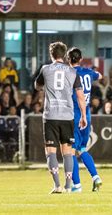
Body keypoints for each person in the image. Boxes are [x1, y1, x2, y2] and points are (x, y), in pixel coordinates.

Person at [35, 42, 87, 194]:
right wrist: (83, 115)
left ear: (51, 55)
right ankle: (68, 186)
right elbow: (80, 96)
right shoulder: (72, 72)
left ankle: (57, 185)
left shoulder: (45, 69)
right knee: (68, 151)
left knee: (51, 151)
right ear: (64, 55)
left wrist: (44, 86)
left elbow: (37, 86)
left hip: (51, 115)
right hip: (67, 115)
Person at [67, 47, 103, 193]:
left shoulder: (69, 73)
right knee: (82, 149)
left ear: (68, 60)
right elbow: (99, 76)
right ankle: (95, 177)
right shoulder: (88, 72)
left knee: (70, 151)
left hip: (74, 115)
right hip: (86, 115)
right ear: (80, 59)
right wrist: (92, 72)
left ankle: (77, 185)